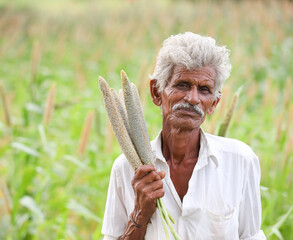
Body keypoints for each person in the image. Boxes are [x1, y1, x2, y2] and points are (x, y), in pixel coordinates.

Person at [101, 32, 266, 240]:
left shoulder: (240, 161)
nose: (193, 98)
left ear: (214, 103)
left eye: (204, 89)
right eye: (182, 85)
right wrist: (140, 214)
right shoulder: (126, 169)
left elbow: (251, 236)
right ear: (156, 92)